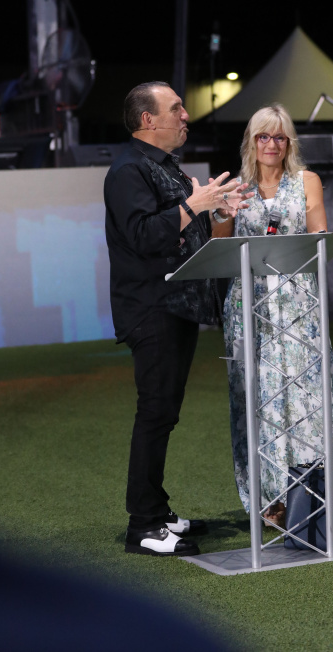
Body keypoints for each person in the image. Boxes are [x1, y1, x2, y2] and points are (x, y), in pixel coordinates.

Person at [104, 81, 252, 557]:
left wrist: (218, 210)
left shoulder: (163, 166)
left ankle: (158, 510)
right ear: (147, 120)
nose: (186, 115)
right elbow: (144, 236)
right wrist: (194, 205)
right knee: (155, 413)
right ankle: (143, 526)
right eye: (176, 108)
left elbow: (185, 229)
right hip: (152, 308)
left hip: (177, 306)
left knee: (164, 413)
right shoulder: (127, 171)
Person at [216, 103, 333, 526]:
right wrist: (220, 212)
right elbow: (219, 246)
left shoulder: (307, 181)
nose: (271, 144)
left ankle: (314, 490)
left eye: (279, 136)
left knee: (306, 394)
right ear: (251, 141)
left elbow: (319, 235)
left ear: (288, 142)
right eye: (263, 136)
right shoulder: (236, 188)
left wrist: (319, 237)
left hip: (298, 304)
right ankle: (270, 498)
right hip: (248, 305)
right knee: (257, 398)